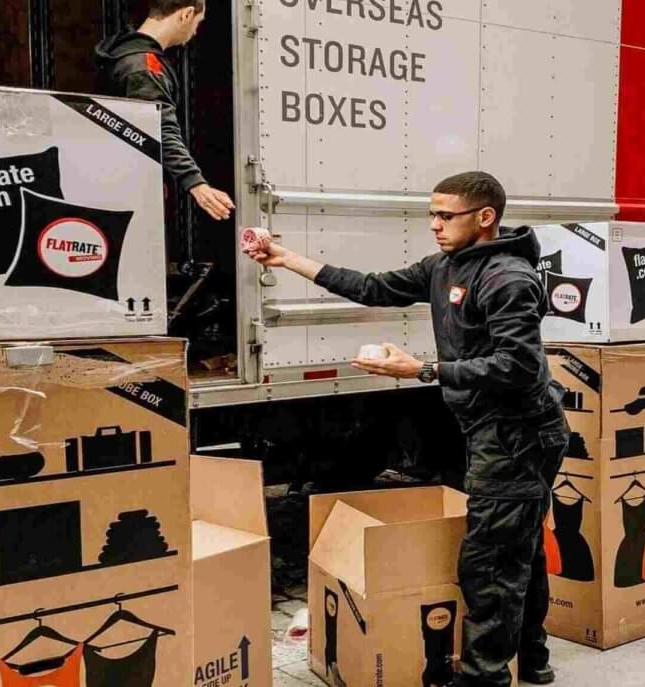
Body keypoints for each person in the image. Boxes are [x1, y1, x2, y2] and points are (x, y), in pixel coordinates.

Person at [244, 171, 569, 687]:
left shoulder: (508, 279)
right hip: (494, 429)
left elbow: (518, 367)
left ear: (485, 218)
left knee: (489, 561)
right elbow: (376, 288)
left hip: (519, 434)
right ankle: (532, 658)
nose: (435, 225)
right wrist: (289, 261)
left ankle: (485, 676)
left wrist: (423, 370)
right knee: (518, 545)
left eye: (447, 215)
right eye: (432, 214)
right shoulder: (446, 266)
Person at [94, 0, 235, 221]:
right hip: (128, 193)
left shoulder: (121, 53)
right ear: (186, 14)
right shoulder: (144, 66)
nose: (196, 31)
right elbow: (159, 126)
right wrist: (196, 183)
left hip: (111, 186)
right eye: (198, 23)